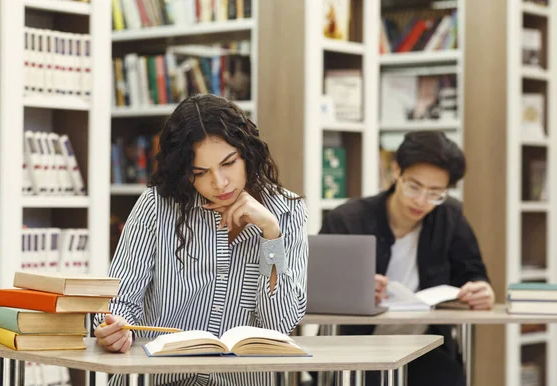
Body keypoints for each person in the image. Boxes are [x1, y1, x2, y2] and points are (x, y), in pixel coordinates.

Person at [94, 94, 308, 385]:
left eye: (228, 163)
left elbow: (279, 324)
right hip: (160, 381)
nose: (219, 183)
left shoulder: (286, 211)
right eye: (201, 172)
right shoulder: (156, 206)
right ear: (185, 172)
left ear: (247, 153)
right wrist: (114, 329)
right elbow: (120, 300)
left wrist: (270, 234)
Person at [320, 131, 495, 386]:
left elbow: (472, 271)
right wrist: (354, 292)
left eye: (436, 193)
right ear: (396, 171)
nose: (422, 201)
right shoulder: (347, 219)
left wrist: (481, 288)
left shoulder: (450, 218)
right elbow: (315, 285)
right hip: (356, 346)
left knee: (449, 376)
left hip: (424, 346)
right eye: (414, 187)